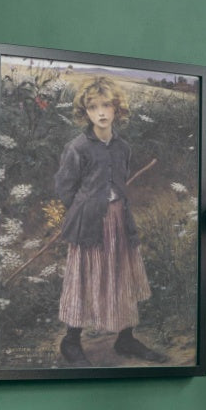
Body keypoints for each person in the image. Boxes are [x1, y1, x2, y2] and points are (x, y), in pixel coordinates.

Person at [53, 74, 162, 367]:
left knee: (121, 273)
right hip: (90, 223)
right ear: (85, 112)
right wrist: (85, 209)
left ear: (117, 109)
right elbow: (65, 187)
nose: (100, 112)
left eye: (106, 105)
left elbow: (120, 181)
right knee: (86, 277)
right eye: (93, 107)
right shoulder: (77, 148)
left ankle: (125, 338)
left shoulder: (122, 148)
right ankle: (71, 341)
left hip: (119, 219)